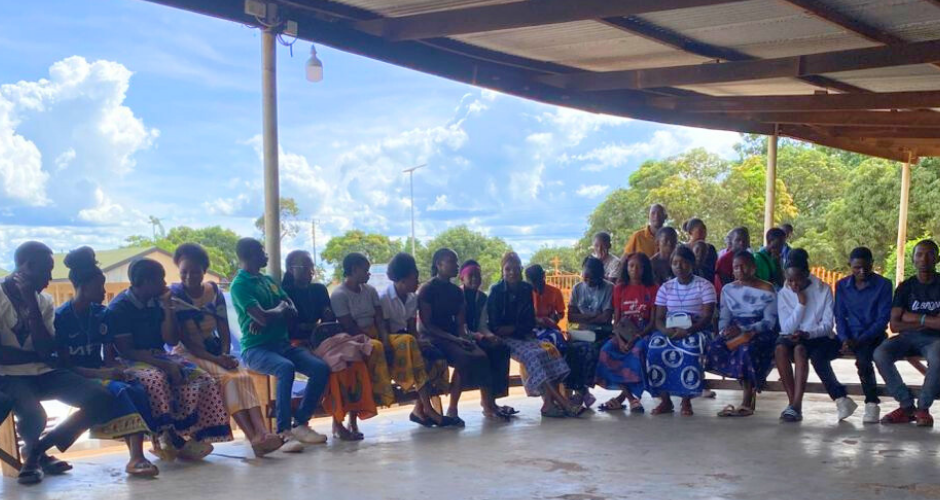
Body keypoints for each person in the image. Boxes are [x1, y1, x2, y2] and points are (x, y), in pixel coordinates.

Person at [0, 241, 116, 484]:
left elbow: (46, 348)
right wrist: (38, 356)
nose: (50, 278)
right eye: (46, 270)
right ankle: (35, 457)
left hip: (45, 373)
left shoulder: (43, 301)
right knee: (34, 414)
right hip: (9, 376)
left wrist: (31, 304)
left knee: (102, 398)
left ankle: (36, 451)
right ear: (27, 266)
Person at [109, 258, 233, 460]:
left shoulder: (157, 302)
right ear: (147, 282)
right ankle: (165, 437)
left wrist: (167, 308)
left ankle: (195, 436)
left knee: (202, 378)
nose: (165, 284)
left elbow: (171, 339)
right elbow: (126, 350)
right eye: (160, 279)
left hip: (159, 355)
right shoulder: (120, 307)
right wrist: (164, 365)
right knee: (156, 380)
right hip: (131, 360)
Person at [54, 247, 159, 476]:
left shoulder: (102, 314)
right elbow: (65, 366)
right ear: (83, 286)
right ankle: (136, 457)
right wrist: (103, 374)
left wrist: (119, 370)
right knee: (120, 391)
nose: (103, 291)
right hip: (76, 376)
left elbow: (109, 357)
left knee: (136, 386)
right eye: (99, 286)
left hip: (100, 371)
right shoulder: (61, 318)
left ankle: (155, 445)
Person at [169, 243, 282, 456]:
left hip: (214, 351)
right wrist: (217, 360)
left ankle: (263, 432)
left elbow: (223, 327)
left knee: (243, 376)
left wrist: (224, 353)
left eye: (195, 271)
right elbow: (189, 342)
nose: (189, 276)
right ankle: (253, 437)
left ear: (204, 270)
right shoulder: (176, 295)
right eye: (184, 272)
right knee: (228, 379)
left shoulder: (214, 291)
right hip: (189, 354)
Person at [231, 238, 329, 451]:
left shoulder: (268, 280)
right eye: (261, 251)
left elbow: (290, 307)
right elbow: (264, 316)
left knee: (320, 368)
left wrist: (273, 312)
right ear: (249, 255)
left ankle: (300, 423)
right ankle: (283, 432)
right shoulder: (239, 285)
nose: (266, 255)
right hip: (256, 349)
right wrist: (278, 310)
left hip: (282, 344)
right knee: (285, 367)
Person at [282, 250, 377, 440]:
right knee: (332, 367)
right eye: (306, 268)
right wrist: (313, 325)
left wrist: (320, 321)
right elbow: (291, 327)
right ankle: (321, 422)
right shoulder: (284, 292)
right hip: (297, 343)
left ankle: (350, 420)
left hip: (322, 340)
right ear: (292, 269)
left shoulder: (319, 289)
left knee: (352, 359)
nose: (311, 272)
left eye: (312, 267)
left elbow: (328, 319)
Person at [332, 252, 439, 417]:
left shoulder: (370, 290)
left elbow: (379, 319)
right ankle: (384, 391)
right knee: (375, 347)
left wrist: (383, 337)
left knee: (408, 340)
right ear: (354, 270)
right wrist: (371, 339)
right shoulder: (339, 295)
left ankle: (418, 397)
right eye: (365, 270)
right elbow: (349, 326)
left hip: (376, 333)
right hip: (353, 338)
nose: (368, 274)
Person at [418, 248, 511, 423]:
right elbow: (427, 325)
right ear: (439, 264)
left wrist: (465, 339)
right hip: (433, 338)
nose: (456, 265)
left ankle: (488, 403)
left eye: (456, 262)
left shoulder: (456, 292)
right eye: (451, 262)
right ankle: (452, 409)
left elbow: (461, 325)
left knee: (480, 355)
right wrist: (455, 339)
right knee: (464, 358)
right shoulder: (427, 289)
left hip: (453, 337)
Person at [488, 252, 579, 417]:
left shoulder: (525, 289)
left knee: (551, 351)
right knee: (533, 356)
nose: (512, 272)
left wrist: (520, 328)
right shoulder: (496, 291)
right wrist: (518, 328)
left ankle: (548, 404)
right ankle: (563, 402)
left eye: (516, 269)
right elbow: (496, 327)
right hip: (505, 338)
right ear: (502, 270)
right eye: (508, 269)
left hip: (525, 334)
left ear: (521, 269)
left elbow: (529, 320)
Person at [774, 249, 856, 423]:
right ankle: (793, 403)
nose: (793, 285)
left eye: (797, 280)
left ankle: (796, 405)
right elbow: (786, 328)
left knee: (800, 350)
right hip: (792, 336)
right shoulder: (784, 293)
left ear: (807, 274)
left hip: (817, 337)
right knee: (780, 348)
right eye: (789, 280)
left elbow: (827, 326)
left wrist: (807, 333)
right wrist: (801, 304)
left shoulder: (823, 290)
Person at [377, 252, 451, 428]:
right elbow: (383, 329)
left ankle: (419, 409)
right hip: (392, 341)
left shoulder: (412, 298)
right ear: (402, 280)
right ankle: (429, 409)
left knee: (436, 357)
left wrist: (420, 342)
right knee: (412, 348)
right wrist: (412, 342)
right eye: (414, 278)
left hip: (409, 340)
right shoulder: (384, 298)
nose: (417, 282)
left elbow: (412, 328)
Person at [875, 239, 940, 427]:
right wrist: (929, 321)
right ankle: (907, 406)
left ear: (937, 258)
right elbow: (895, 325)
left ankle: (923, 408)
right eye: (919, 254)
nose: (924, 259)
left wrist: (913, 317)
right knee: (880, 353)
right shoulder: (905, 287)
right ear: (913, 259)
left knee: (938, 357)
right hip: (907, 338)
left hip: (935, 340)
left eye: (929, 254)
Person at [705, 251, 777, 417]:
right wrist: (724, 331)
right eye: (736, 267)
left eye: (744, 266)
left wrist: (746, 329)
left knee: (745, 350)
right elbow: (724, 316)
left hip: (759, 331)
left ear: (753, 268)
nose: (740, 270)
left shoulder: (767, 288)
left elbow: (769, 322)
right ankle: (745, 383)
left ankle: (747, 400)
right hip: (734, 329)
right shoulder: (728, 289)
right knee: (714, 346)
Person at [647, 245, 716, 416]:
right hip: (670, 330)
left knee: (690, 348)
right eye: (675, 263)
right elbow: (659, 319)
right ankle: (665, 401)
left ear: (692, 264)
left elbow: (707, 317)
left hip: (697, 329)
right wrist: (668, 332)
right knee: (655, 348)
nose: (679, 266)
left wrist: (689, 331)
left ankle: (686, 400)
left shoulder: (705, 286)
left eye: (684, 262)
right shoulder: (666, 287)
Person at [834, 247, 891, 424]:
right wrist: (844, 339)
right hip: (849, 335)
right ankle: (840, 398)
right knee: (817, 354)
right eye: (857, 268)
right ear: (849, 265)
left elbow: (882, 319)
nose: (862, 271)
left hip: (873, 336)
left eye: (866, 267)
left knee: (864, 359)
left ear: (872, 264)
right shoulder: (842, 285)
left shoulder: (883, 285)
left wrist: (859, 340)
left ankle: (872, 403)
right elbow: (839, 315)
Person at [596, 252, 657, 413]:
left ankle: (624, 398)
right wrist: (621, 340)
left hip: (644, 333)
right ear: (626, 267)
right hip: (622, 333)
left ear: (645, 269)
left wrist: (636, 338)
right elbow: (617, 320)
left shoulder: (652, 288)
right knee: (606, 351)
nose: (634, 270)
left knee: (637, 352)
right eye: (631, 266)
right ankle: (630, 398)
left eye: (639, 267)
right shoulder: (620, 289)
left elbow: (653, 322)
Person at [459, 259, 515, 417]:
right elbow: (459, 326)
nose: (475, 279)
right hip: (460, 337)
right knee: (484, 355)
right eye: (471, 275)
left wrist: (490, 336)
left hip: (477, 336)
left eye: (478, 275)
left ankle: (492, 400)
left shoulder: (482, 298)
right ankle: (486, 402)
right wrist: (477, 336)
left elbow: (482, 324)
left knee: (500, 348)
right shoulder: (457, 295)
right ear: (462, 278)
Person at [565, 256, 614, 409]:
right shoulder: (577, 288)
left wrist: (584, 318)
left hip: (601, 333)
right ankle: (582, 392)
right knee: (568, 349)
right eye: (585, 277)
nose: (588, 281)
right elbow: (571, 316)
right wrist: (593, 316)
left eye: (592, 278)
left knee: (589, 350)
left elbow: (606, 318)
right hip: (581, 332)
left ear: (600, 276)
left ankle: (581, 393)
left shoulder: (609, 288)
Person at [525, 264, 567, 354]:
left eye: (537, 281)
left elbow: (561, 313)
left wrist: (553, 319)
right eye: (532, 283)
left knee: (557, 341)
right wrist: (536, 320)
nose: (535, 286)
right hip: (531, 328)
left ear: (543, 276)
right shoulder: (525, 293)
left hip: (550, 327)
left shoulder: (555, 292)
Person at [684, 218, 717, 283]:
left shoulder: (710, 248)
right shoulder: (683, 249)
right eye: (700, 231)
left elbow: (714, 269)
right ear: (690, 232)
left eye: (705, 230)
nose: (704, 233)